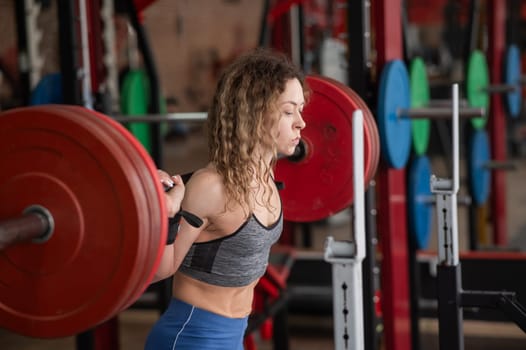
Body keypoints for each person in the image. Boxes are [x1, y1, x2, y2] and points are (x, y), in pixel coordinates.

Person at [146, 48, 308, 350]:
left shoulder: (267, 176)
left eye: (300, 109)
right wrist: (168, 213)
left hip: (233, 336)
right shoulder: (211, 187)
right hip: (191, 338)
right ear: (255, 112)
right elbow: (160, 270)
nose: (301, 122)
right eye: (288, 111)